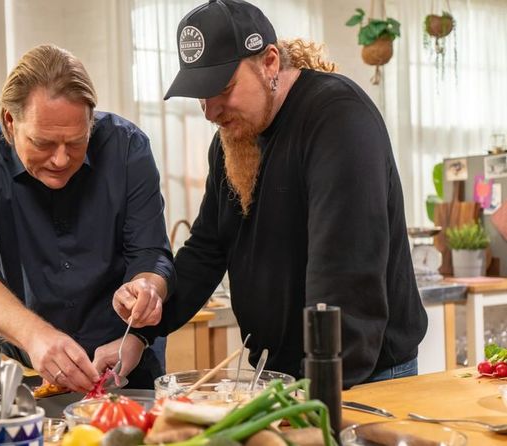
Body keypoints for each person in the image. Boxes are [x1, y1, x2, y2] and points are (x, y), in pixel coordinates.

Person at [114, 0, 428, 388]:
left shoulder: (336, 118)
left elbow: (345, 274)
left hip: (360, 377)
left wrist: (321, 391)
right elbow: (207, 250)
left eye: (223, 88)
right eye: (200, 95)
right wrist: (142, 328)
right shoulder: (232, 139)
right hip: (286, 376)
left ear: (270, 63)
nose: (210, 111)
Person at [0, 44, 174, 391]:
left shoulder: (128, 148)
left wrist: (147, 289)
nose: (61, 159)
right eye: (43, 143)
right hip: (27, 373)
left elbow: (151, 254)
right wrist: (35, 336)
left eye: (77, 141)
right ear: (10, 120)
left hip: (125, 365)